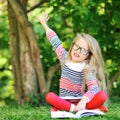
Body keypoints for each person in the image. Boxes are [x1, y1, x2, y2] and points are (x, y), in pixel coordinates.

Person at [38, 11, 108, 113]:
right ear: (73, 45)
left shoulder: (87, 67)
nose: (77, 51)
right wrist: (44, 24)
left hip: (82, 102)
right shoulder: (64, 56)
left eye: (83, 50)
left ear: (88, 55)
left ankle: (78, 109)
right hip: (65, 101)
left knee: (102, 95)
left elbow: (93, 88)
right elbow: (54, 40)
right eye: (76, 46)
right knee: (50, 97)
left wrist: (83, 100)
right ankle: (75, 109)